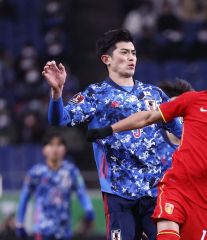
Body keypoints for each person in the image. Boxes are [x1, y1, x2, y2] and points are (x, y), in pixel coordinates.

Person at [87, 49, 207, 239]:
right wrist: (110, 129)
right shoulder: (195, 100)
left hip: (205, 203)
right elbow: (149, 116)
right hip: (175, 188)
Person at [42, 29, 182, 240]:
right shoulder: (95, 94)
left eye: (133, 53)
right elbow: (59, 119)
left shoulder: (154, 94)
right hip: (118, 194)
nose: (131, 58)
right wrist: (57, 93)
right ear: (106, 59)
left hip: (155, 192)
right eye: (124, 53)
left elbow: (182, 133)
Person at [15, 131, 94, 240]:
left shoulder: (71, 171)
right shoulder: (36, 172)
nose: (55, 149)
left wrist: (89, 209)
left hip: (64, 231)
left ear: (65, 149)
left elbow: (81, 193)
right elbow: (24, 197)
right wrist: (19, 222)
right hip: (42, 230)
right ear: (44, 150)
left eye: (59, 145)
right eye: (51, 145)